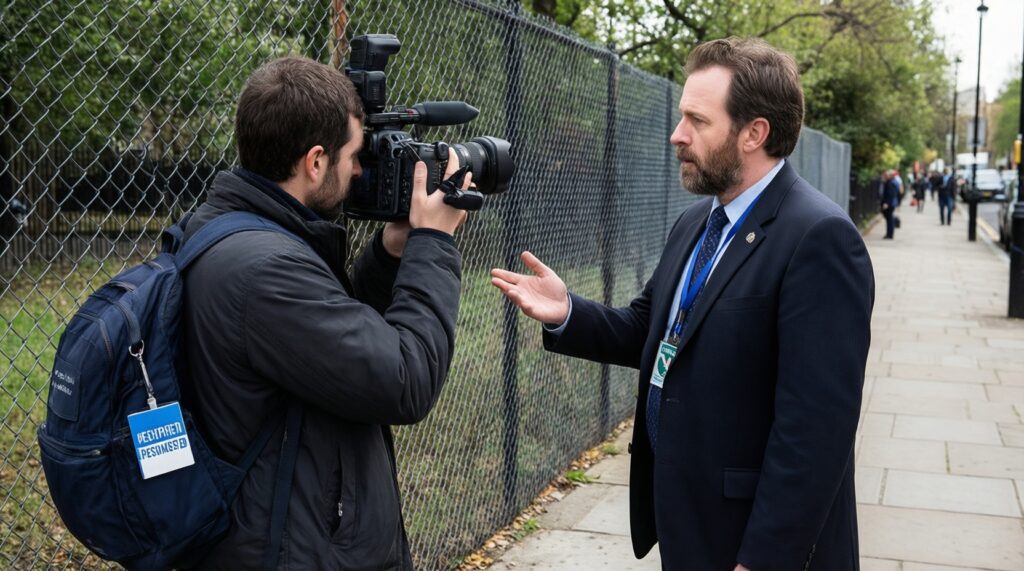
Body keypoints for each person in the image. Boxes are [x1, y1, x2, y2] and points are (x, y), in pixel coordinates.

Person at [491, 37, 873, 571]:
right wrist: (568, 312)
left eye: (697, 120)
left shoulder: (819, 237)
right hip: (689, 522)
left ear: (754, 133)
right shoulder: (697, 221)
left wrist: (762, 560)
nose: (678, 135)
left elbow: (815, 430)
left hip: (752, 542)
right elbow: (654, 329)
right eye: (681, 117)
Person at [181, 57, 471, 569]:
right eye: (355, 156)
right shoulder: (266, 273)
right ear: (315, 161)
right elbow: (404, 379)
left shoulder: (234, 232)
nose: (360, 171)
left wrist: (392, 251)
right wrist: (434, 243)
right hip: (291, 549)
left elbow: (335, 339)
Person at [881, 170, 899, 238]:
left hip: (889, 204)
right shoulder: (891, 182)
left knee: (889, 219)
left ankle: (889, 234)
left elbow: (890, 194)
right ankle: (889, 234)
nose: (885, 177)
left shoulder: (891, 183)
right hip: (890, 203)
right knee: (889, 219)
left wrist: (886, 203)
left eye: (886, 175)